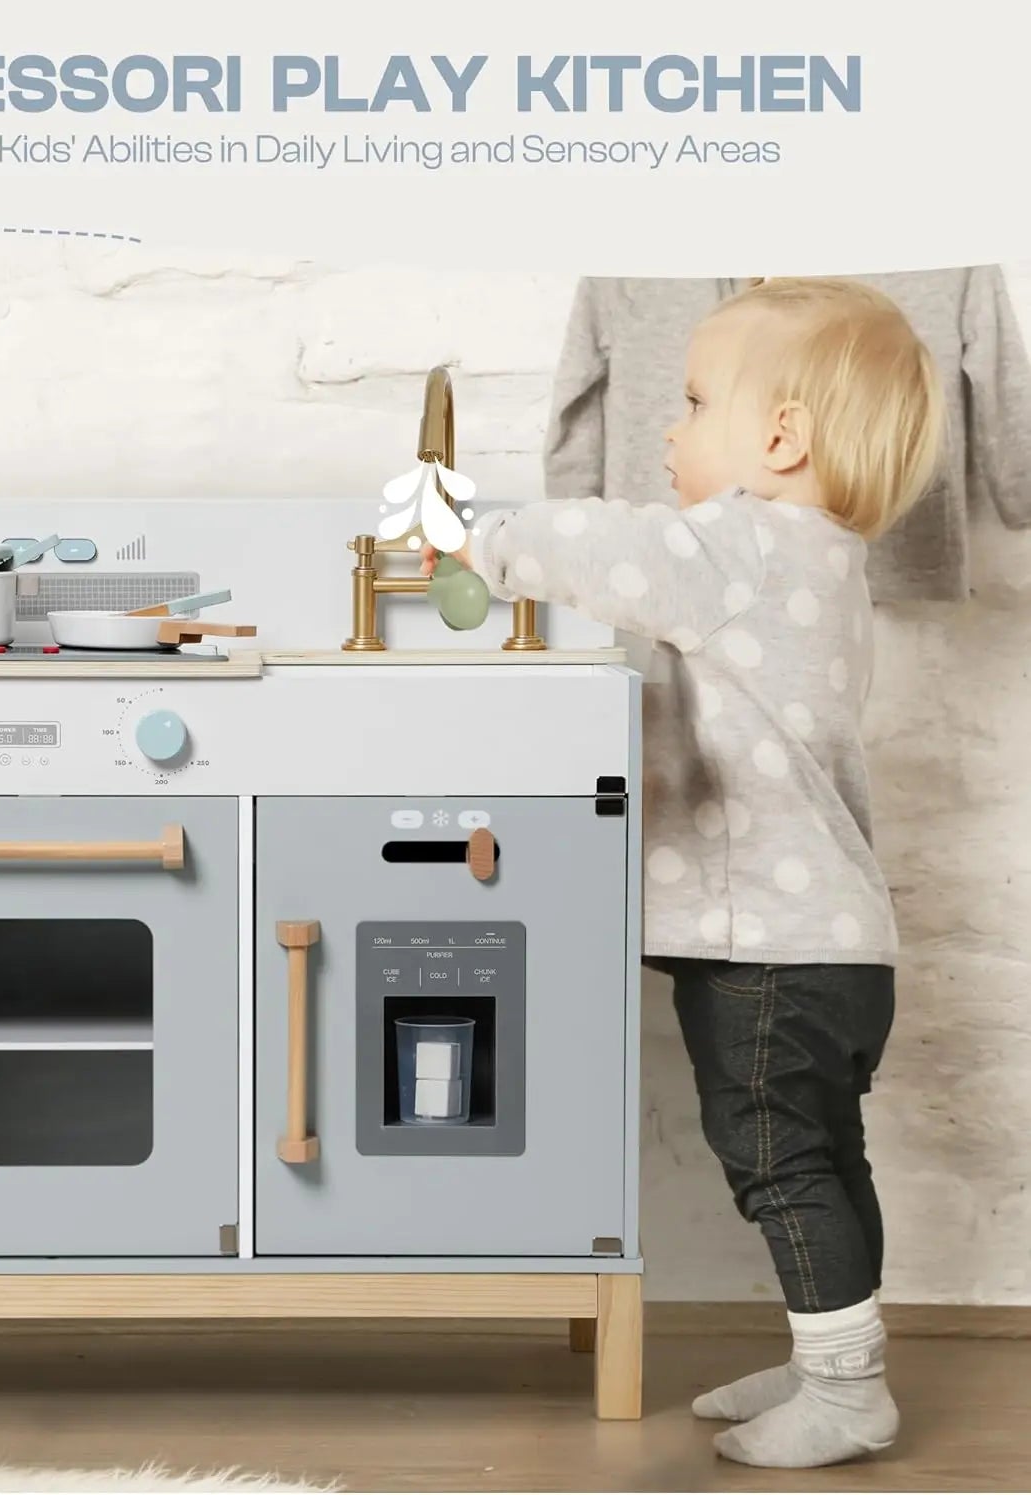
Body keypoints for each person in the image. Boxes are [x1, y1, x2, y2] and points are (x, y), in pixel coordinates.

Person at [423, 277, 944, 1468]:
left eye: (698, 399)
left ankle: (849, 1390)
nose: (670, 425)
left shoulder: (745, 542)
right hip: (832, 943)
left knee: (775, 1156)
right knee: (824, 1156)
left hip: (768, 946)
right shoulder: (822, 558)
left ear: (780, 440)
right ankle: (828, 1352)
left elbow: (614, 547)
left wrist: (479, 534)